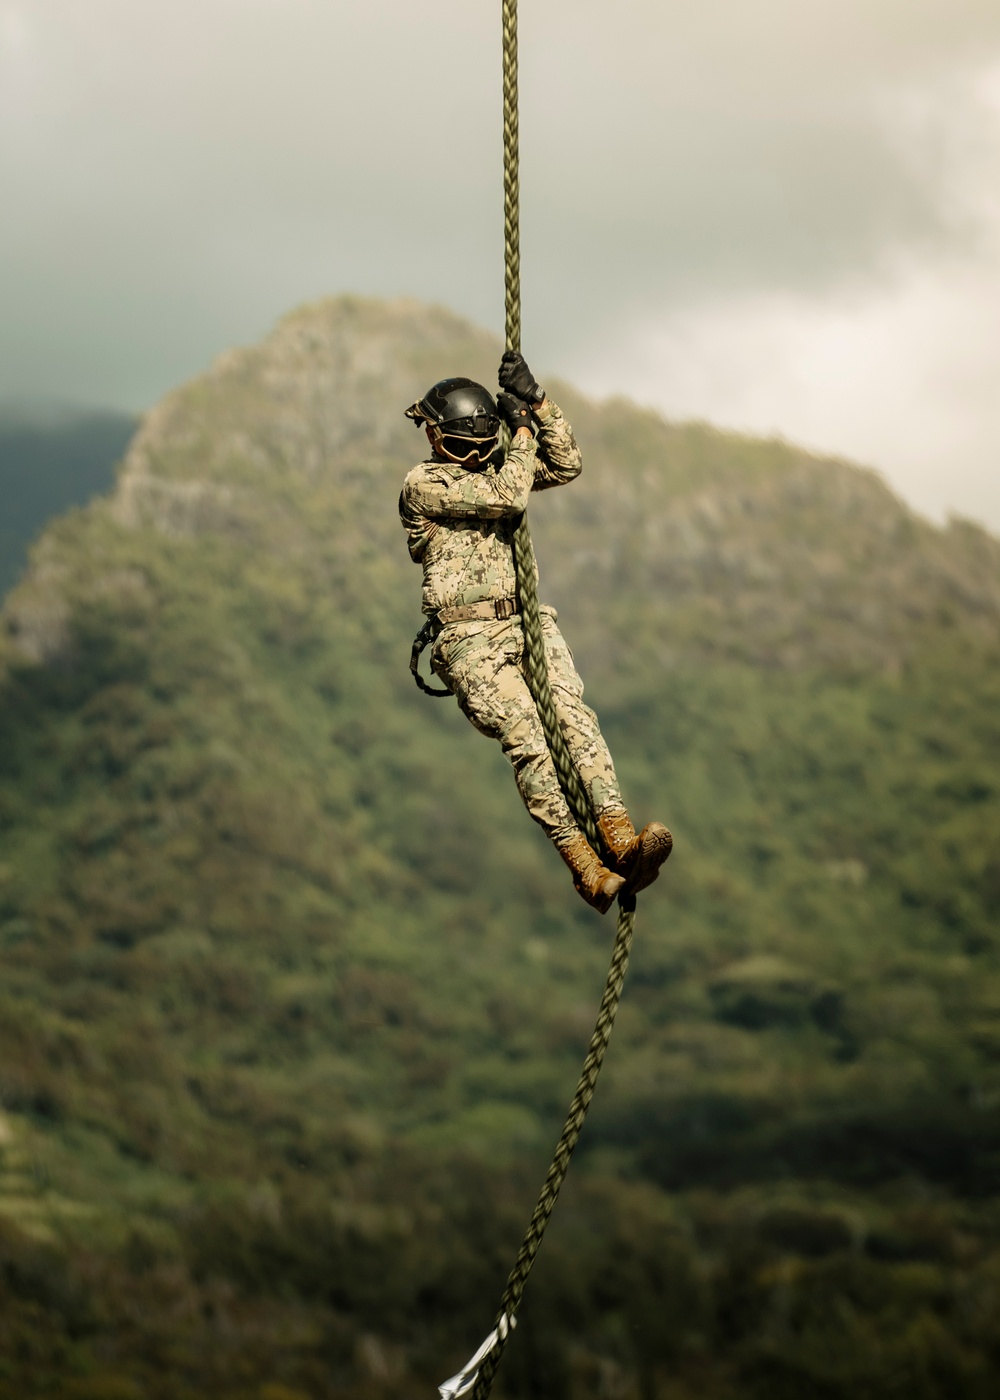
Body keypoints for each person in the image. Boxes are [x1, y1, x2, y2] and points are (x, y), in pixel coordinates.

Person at [399, 351, 671, 913]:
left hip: (526, 622)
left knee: (574, 720)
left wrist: (540, 404)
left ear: (450, 435)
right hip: (470, 641)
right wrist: (521, 432)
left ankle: (618, 835)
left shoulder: (504, 465)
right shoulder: (425, 484)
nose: (425, 436)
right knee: (528, 737)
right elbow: (509, 497)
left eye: (431, 426)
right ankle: (582, 864)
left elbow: (566, 463)